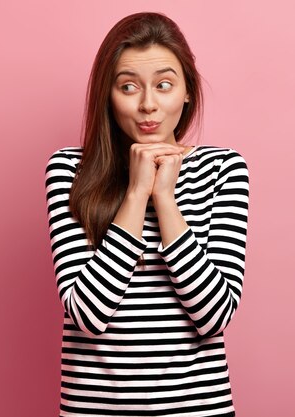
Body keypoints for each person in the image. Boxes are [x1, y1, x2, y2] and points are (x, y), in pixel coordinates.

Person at [44, 12, 249, 417]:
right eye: (128, 87)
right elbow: (87, 313)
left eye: (164, 85)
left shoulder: (224, 169)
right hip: (94, 410)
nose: (148, 104)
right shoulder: (70, 170)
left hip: (197, 409)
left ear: (187, 92)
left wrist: (165, 198)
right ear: (108, 94)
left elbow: (214, 316)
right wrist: (137, 193)